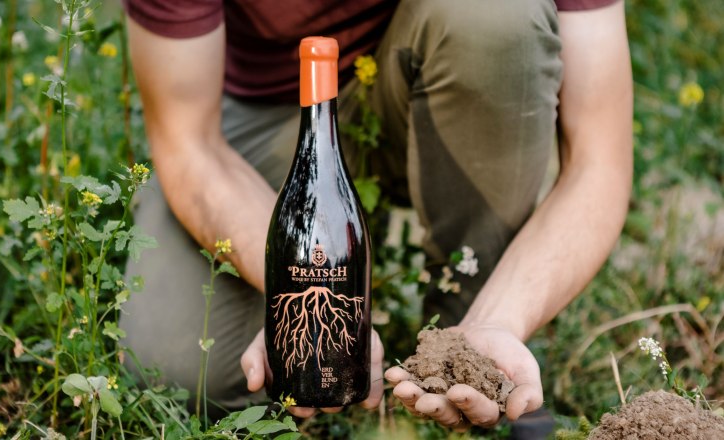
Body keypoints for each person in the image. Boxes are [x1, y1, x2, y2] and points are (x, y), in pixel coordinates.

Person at [119, 0, 633, 433]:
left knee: (492, 16)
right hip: (276, 111)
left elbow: (599, 159)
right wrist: (301, 295)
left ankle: (475, 349)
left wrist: (504, 317)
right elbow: (190, 143)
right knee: (182, 371)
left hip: (442, 65)